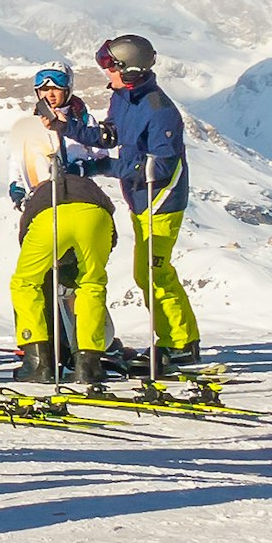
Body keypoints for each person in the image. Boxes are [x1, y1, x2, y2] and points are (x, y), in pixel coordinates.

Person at [80, 33, 201, 366]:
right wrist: (68, 129)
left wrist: (104, 165)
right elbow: (110, 135)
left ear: (129, 70)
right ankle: (182, 339)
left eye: (109, 65)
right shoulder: (123, 97)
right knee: (148, 272)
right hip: (139, 198)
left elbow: (159, 164)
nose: (105, 71)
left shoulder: (159, 111)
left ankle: (180, 344)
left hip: (161, 200)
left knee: (153, 272)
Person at [6, 68, 120, 380]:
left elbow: (104, 154)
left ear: (68, 89)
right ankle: (78, 355)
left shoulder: (83, 121)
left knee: (66, 281)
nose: (50, 93)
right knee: (74, 281)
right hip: (50, 202)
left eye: (56, 87)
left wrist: (86, 166)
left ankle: (54, 356)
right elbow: (18, 164)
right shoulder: (27, 126)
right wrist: (17, 189)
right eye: (43, 88)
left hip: (68, 201)